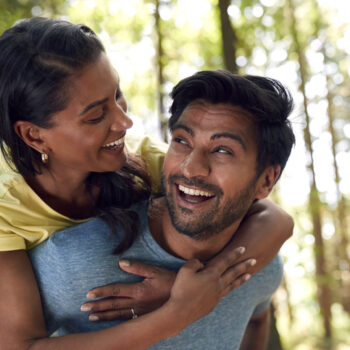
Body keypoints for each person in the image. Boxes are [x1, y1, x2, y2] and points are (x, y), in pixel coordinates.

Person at [0, 17, 293, 349]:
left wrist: (202, 281)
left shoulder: (143, 162)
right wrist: (178, 312)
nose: (125, 121)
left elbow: (277, 219)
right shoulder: (7, 211)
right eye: (96, 116)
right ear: (33, 135)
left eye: (117, 94)